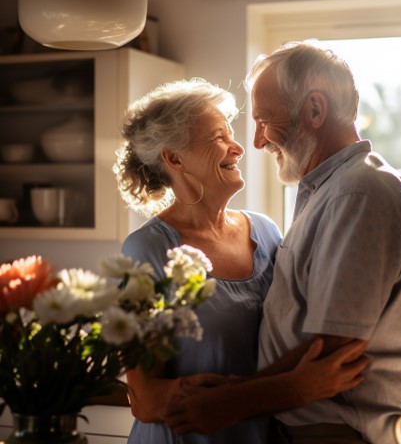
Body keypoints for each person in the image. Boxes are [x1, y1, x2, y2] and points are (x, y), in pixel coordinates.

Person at [164, 41, 401, 444]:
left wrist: (231, 401)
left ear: (314, 110)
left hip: (346, 433)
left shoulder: (358, 194)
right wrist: (236, 389)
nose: (256, 142)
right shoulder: (330, 191)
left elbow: (333, 348)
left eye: (263, 120)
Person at [114, 78, 369, 444]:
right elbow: (144, 399)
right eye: (218, 138)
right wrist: (287, 389)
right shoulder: (145, 251)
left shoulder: (265, 232)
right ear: (174, 158)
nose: (238, 147)